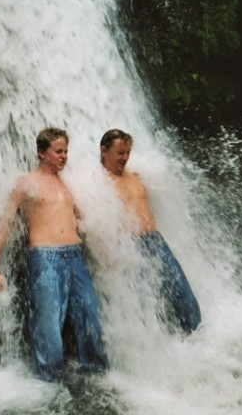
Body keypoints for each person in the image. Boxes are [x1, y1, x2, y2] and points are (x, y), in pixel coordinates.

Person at [0, 127, 108, 381]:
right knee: (48, 322)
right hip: (45, 258)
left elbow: (86, 223)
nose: (64, 156)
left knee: (89, 313)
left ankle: (96, 373)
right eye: (58, 151)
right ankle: (49, 379)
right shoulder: (25, 182)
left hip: (75, 256)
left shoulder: (68, 184)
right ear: (41, 153)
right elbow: (5, 222)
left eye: (66, 151)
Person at [99, 128, 201, 334]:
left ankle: (198, 338)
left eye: (127, 152)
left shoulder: (136, 176)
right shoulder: (97, 182)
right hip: (129, 246)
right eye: (120, 153)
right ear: (104, 151)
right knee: (143, 301)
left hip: (155, 241)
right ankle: (152, 350)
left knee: (182, 292)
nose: (125, 158)